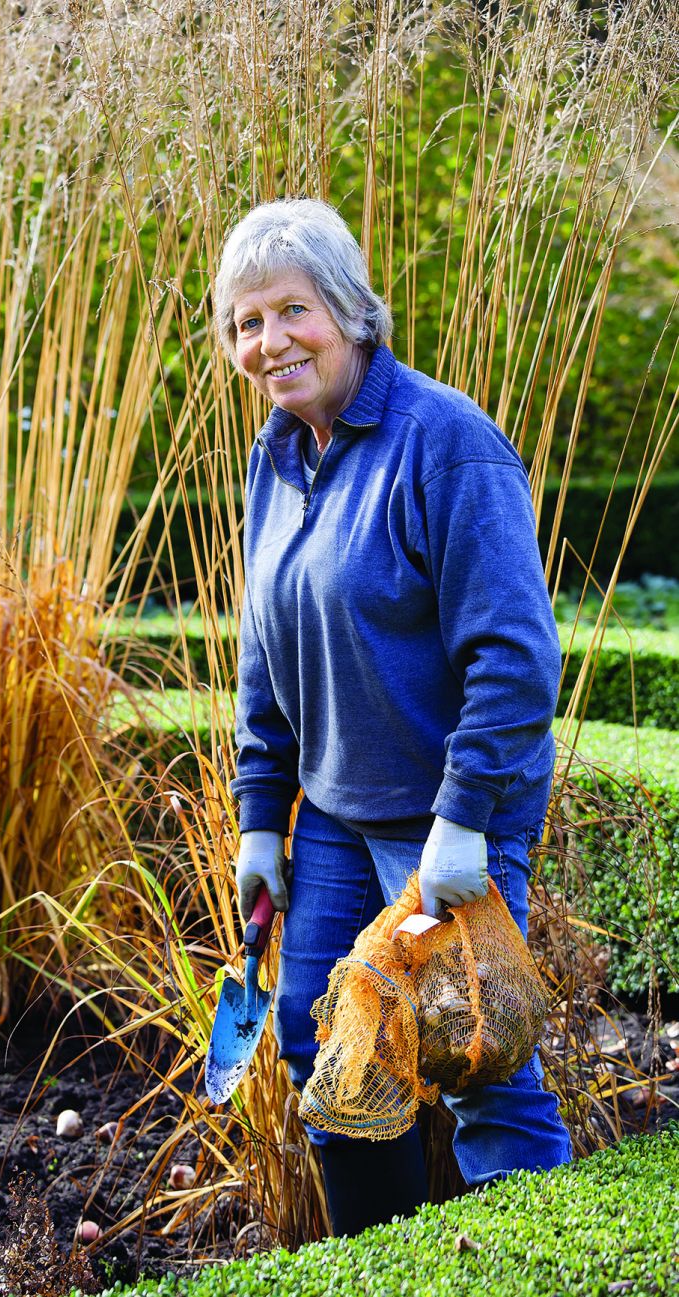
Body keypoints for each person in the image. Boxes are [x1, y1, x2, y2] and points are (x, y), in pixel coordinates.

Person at [213, 197, 572, 1238]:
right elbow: (266, 653)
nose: (268, 341)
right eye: (245, 322)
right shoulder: (274, 456)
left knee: (474, 1063)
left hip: (444, 823)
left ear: (352, 313)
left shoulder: (446, 446)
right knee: (324, 1051)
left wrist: (463, 819)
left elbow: (513, 656)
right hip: (328, 814)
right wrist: (254, 818)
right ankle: (385, 1262)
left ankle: (542, 1258)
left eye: (291, 310)